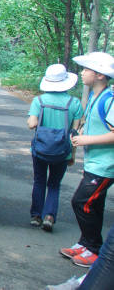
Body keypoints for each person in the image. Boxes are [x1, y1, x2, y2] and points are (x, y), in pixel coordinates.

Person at [60, 51, 114, 268]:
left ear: (100, 75)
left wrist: (86, 139)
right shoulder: (95, 96)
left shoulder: (109, 100)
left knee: (82, 203)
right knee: (93, 204)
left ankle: (93, 249)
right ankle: (86, 244)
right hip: (96, 164)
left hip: (105, 166)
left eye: (86, 70)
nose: (82, 73)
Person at [27, 64, 83, 232]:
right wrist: (73, 155)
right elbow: (75, 133)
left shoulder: (39, 101)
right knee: (54, 184)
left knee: (39, 181)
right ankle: (49, 216)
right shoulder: (74, 103)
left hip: (40, 149)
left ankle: (36, 215)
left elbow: (32, 124)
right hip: (62, 151)